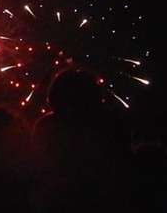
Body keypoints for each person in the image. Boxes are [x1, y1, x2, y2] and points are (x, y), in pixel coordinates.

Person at [31, 68, 132, 213]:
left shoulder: (46, 126)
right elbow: (123, 167)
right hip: (104, 201)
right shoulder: (110, 124)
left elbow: (38, 168)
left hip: (58, 202)